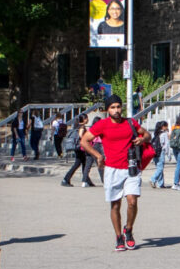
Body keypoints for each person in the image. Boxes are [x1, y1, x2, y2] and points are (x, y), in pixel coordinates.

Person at [85, 97, 149, 251]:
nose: (116, 110)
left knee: (132, 201)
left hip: (131, 168)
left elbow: (146, 134)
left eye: (118, 107)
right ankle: (119, 236)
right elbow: (84, 141)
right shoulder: (102, 125)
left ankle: (129, 230)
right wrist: (98, 156)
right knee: (115, 205)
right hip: (112, 169)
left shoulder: (130, 122)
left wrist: (142, 140)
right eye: (113, 107)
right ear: (108, 109)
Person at [61, 108, 99, 187]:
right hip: (80, 147)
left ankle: (86, 180)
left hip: (78, 147)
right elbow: (81, 136)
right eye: (87, 118)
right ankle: (66, 179)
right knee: (78, 164)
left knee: (83, 164)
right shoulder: (81, 127)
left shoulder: (77, 126)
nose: (88, 119)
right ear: (84, 119)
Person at [149, 120, 173, 188]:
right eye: (166, 126)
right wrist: (169, 155)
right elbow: (166, 145)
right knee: (160, 168)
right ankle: (152, 179)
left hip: (155, 153)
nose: (167, 128)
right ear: (163, 127)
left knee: (159, 167)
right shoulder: (164, 134)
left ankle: (161, 184)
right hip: (161, 152)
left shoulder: (156, 133)